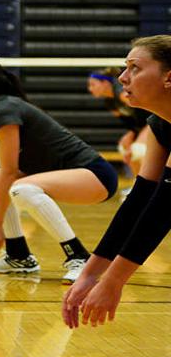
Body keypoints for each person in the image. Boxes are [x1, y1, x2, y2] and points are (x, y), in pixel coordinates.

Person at [0, 54, 119, 283]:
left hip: (94, 176)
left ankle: (79, 257)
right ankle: (18, 256)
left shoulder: (5, 109)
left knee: (22, 189)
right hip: (58, 174)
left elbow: (10, 172)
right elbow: (8, 172)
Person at [63, 35, 171, 328]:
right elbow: (141, 200)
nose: (123, 77)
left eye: (134, 68)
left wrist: (113, 281)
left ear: (168, 77)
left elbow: (163, 210)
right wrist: (89, 274)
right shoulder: (161, 125)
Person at [87, 67, 153, 180]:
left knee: (137, 149)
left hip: (154, 119)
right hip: (142, 124)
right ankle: (137, 184)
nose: (90, 89)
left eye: (93, 84)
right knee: (124, 147)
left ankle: (152, 183)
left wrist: (140, 136)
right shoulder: (110, 103)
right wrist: (132, 134)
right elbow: (130, 122)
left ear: (105, 83)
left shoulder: (122, 94)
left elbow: (149, 112)